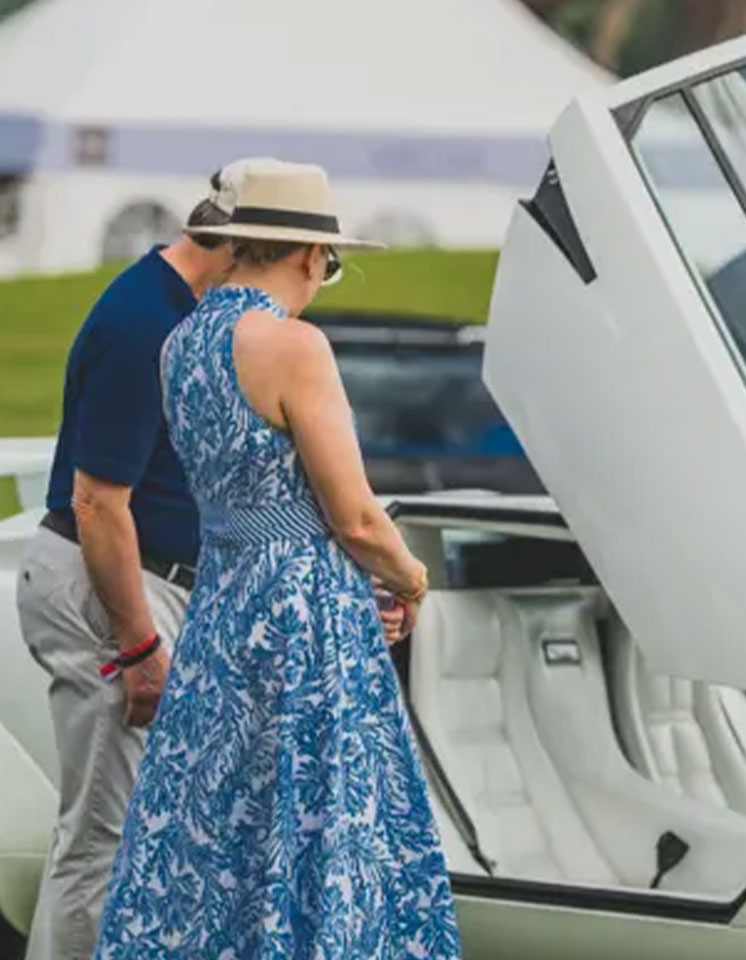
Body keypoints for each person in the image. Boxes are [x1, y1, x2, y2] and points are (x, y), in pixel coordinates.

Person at [93, 160, 461, 958]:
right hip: (304, 624)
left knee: (222, 831)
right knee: (319, 825)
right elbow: (355, 517)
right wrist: (410, 578)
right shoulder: (294, 346)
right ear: (308, 255)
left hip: (223, 612)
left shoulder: (181, 346)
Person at [15, 162, 250, 960]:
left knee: (127, 833)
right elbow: (97, 504)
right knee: (105, 838)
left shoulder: (172, 311)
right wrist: (140, 643)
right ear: (240, 247)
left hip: (132, 584)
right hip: (108, 588)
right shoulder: (146, 324)